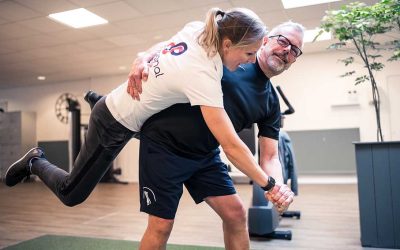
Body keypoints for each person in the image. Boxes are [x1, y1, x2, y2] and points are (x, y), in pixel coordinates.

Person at [4, 8, 271, 207]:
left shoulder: (198, 30)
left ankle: (99, 100)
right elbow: (231, 145)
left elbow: (161, 47)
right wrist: (268, 183)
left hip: (134, 119)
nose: (249, 62)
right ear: (227, 44)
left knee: (164, 131)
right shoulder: (203, 73)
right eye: (249, 53)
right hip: (114, 123)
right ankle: (35, 161)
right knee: (70, 194)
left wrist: (144, 56)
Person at [126, 21, 305, 250]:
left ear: (294, 60)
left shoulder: (270, 102)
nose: (287, 50)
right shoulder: (231, 56)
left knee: (236, 214)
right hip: (165, 145)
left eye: (295, 50)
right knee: (161, 224)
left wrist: (277, 188)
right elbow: (179, 45)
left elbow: (270, 157)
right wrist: (143, 56)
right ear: (266, 39)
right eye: (283, 41)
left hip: (204, 154)